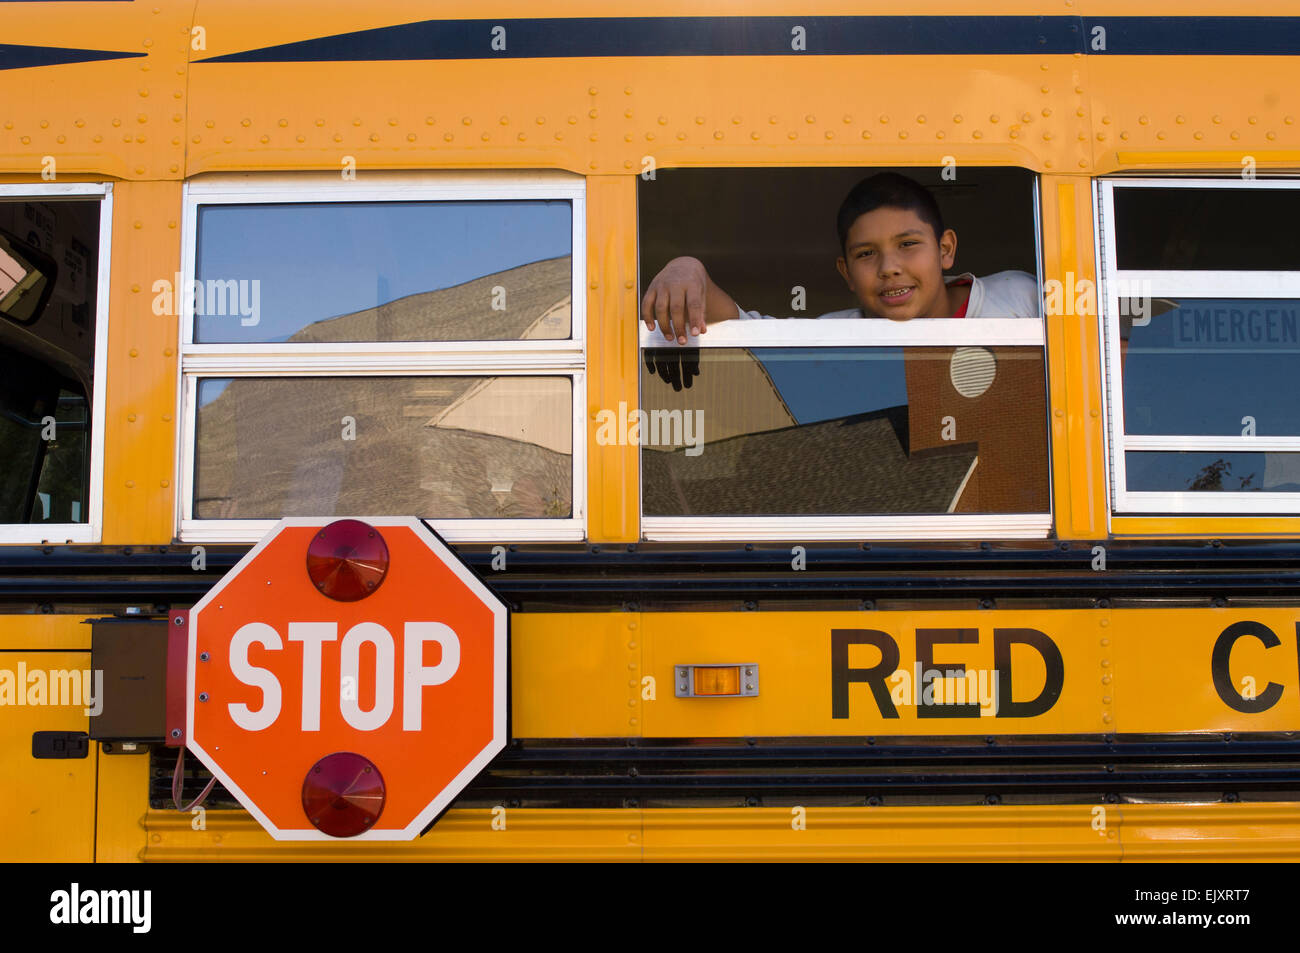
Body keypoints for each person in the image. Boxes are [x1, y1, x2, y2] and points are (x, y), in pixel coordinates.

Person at [640, 172, 1039, 344]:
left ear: (946, 249)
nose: (889, 267)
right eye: (867, 254)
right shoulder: (839, 337)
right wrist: (687, 269)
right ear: (846, 273)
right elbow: (746, 329)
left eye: (908, 244)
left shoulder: (1019, 298)